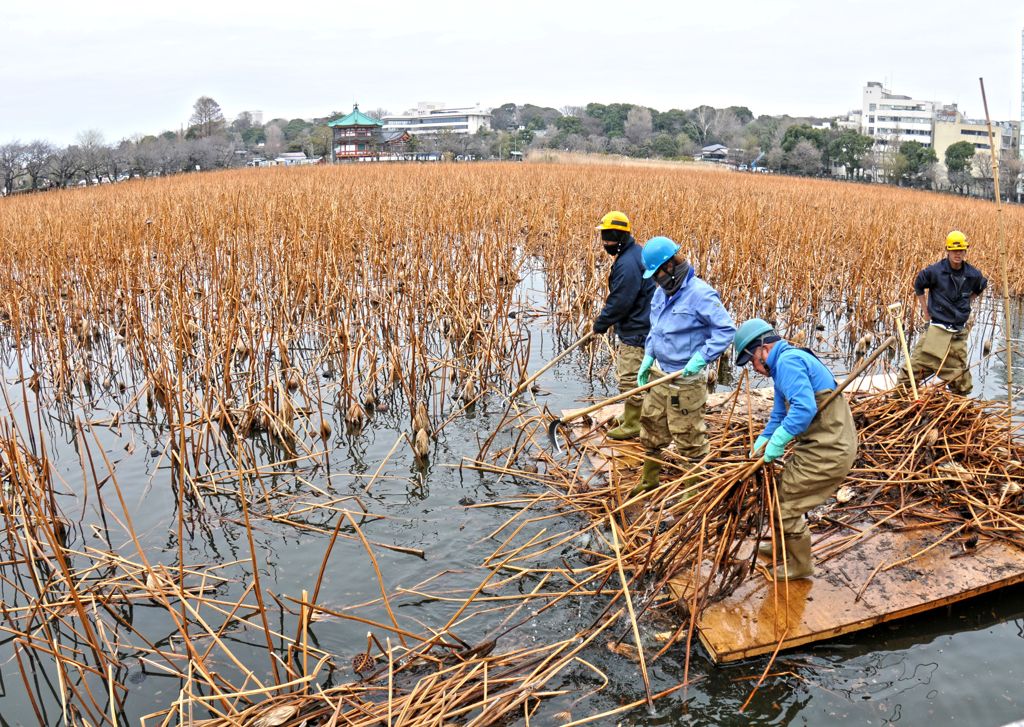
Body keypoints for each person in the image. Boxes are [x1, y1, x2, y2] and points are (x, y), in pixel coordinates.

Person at [733, 318, 858, 580]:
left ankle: (800, 565)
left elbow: (804, 409)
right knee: (779, 490)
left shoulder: (788, 362)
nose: (755, 369)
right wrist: (763, 443)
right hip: (816, 445)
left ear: (763, 349)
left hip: (830, 448)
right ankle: (782, 546)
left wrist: (778, 442)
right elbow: (779, 415)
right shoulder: (781, 367)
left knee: (786, 502)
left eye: (753, 362)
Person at [634, 236, 735, 494]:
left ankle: (693, 492)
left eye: (658, 274)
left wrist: (702, 357)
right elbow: (655, 330)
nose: (657, 280)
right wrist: (648, 356)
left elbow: (725, 330)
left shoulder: (700, 294)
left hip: (686, 380)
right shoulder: (660, 293)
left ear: (671, 265)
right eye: (654, 276)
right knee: (651, 426)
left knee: (689, 437)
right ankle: (649, 482)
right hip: (660, 375)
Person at [896, 230, 987, 395]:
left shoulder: (973, 275)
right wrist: (925, 311)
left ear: (966, 251)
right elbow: (918, 285)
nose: (958, 254)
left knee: (962, 383)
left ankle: (958, 410)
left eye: (961, 250)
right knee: (911, 372)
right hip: (937, 331)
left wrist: (967, 302)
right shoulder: (935, 271)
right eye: (954, 250)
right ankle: (898, 399)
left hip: (958, 334)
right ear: (948, 250)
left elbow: (981, 286)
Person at [592, 211, 656, 440]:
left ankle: (633, 423)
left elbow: (621, 300)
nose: (604, 242)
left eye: (607, 237)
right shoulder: (634, 252)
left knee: (631, 378)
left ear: (618, 236)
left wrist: (600, 324)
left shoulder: (628, 263)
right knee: (640, 375)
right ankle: (633, 414)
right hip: (643, 323)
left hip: (637, 328)